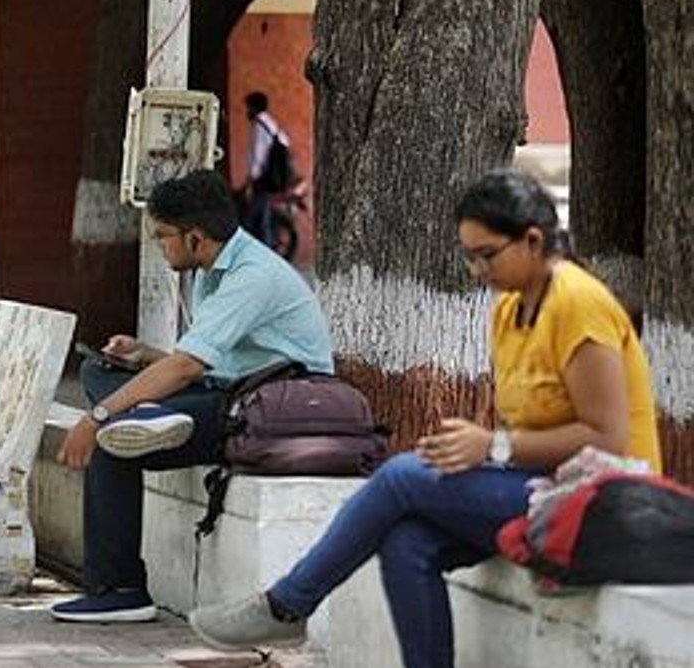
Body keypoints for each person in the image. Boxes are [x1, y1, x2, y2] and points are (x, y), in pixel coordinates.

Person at [188, 170, 662, 668]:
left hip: (606, 504)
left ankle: (287, 603)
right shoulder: (508, 310)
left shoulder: (578, 304)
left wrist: (494, 448)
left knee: (400, 476)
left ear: (533, 240)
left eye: (487, 255)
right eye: (469, 256)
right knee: (407, 541)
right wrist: (471, 450)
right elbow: (532, 430)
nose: (477, 270)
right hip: (546, 487)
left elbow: (608, 437)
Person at [50, 168, 335, 623]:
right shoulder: (209, 269)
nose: (161, 247)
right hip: (227, 390)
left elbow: (188, 366)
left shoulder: (252, 275)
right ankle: (148, 414)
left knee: (111, 438)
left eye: (163, 236)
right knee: (96, 369)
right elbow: (202, 359)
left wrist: (97, 415)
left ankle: (120, 589)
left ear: (196, 237)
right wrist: (144, 356)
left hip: (270, 410)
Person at [242, 91, 290, 246]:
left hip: (262, 179)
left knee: (254, 220)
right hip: (268, 178)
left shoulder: (260, 125)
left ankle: (264, 254)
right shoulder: (270, 123)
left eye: (248, 107)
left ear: (255, 107)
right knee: (262, 216)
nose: (247, 111)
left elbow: (258, 155)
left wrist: (250, 181)